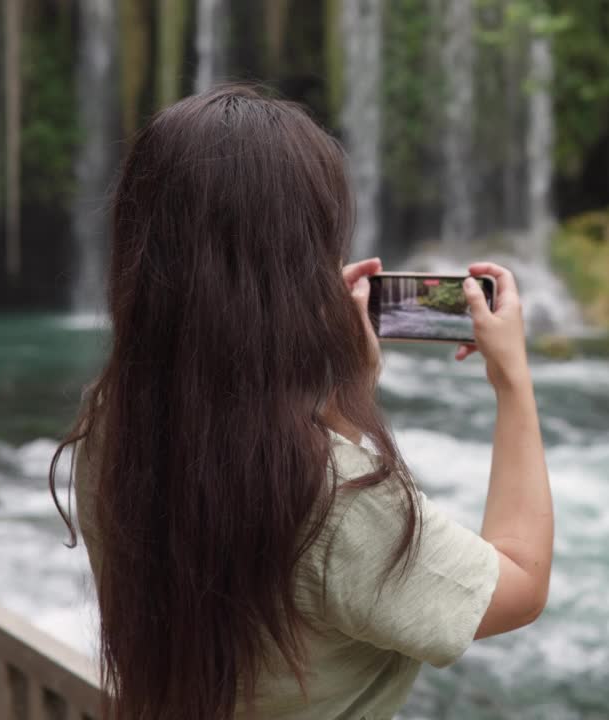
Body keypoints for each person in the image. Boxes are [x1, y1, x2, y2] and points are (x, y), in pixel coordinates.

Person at [49, 85, 553, 720]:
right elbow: (520, 584)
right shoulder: (334, 504)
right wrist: (513, 380)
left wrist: (341, 400)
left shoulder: (110, 423)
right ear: (295, 269)